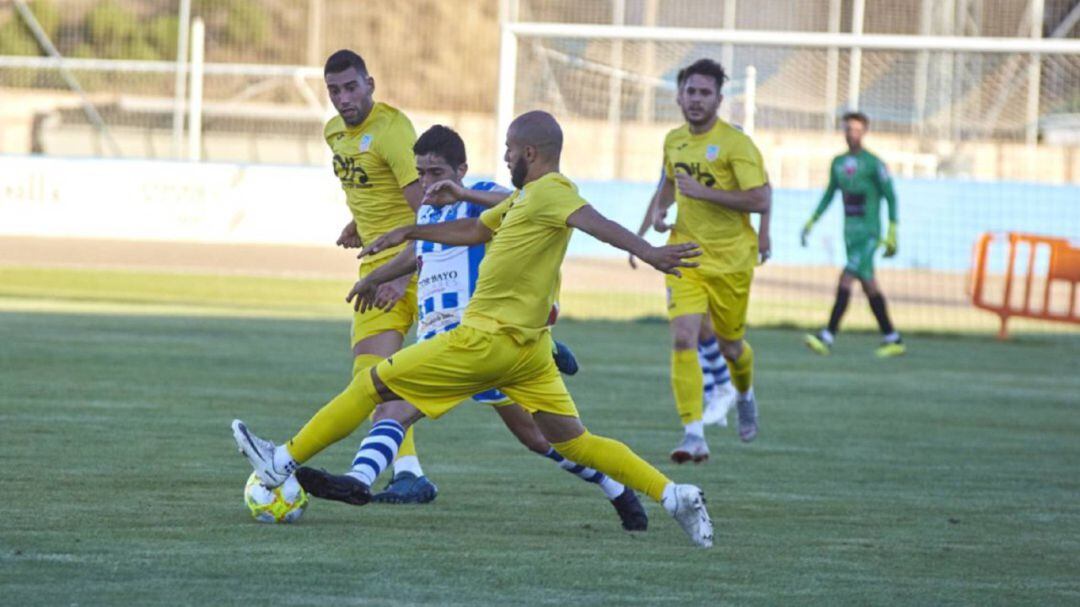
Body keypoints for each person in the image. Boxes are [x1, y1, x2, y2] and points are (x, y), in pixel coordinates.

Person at [232, 110, 714, 548]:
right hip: (526, 352)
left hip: (483, 339)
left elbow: (595, 222)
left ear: (529, 152)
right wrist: (411, 232)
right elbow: (475, 230)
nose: (504, 157)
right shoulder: (525, 200)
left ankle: (281, 461)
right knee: (572, 441)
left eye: (508, 149)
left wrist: (649, 252)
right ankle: (674, 495)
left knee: (370, 384)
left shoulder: (553, 190)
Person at [346, 124, 647, 530]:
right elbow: (420, 253)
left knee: (538, 438)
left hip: (485, 339)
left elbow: (516, 200)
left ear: (462, 169)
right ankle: (357, 483)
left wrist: (464, 192)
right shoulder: (428, 211)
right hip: (443, 340)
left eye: (436, 172)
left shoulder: (480, 197)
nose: (427, 182)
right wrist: (377, 277)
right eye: (421, 173)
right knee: (392, 408)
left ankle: (616, 487)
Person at [322, 48, 440, 502]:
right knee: (371, 379)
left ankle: (543, 354)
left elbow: (426, 210)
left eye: (352, 86)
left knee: (489, 385)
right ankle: (409, 473)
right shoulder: (333, 132)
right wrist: (360, 223)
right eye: (334, 90)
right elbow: (367, 187)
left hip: (420, 267)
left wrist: (401, 276)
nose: (344, 98)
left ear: (371, 83)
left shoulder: (394, 131)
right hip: (375, 271)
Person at [648, 59, 772, 464]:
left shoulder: (737, 144)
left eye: (705, 93)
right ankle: (693, 433)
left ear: (719, 99)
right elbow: (669, 180)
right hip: (686, 255)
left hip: (732, 262)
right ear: (679, 96)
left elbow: (760, 198)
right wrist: (657, 212)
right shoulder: (673, 140)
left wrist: (703, 193)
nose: (696, 99)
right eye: (690, 92)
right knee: (683, 337)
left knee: (732, 346)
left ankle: (745, 394)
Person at [800, 111, 904, 357]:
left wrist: (892, 232)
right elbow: (829, 195)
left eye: (857, 130)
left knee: (846, 279)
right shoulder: (837, 163)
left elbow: (891, 197)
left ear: (865, 132)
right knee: (869, 286)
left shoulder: (874, 163)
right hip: (850, 234)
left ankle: (827, 336)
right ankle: (893, 337)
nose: (851, 134)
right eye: (848, 129)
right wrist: (811, 222)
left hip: (869, 234)